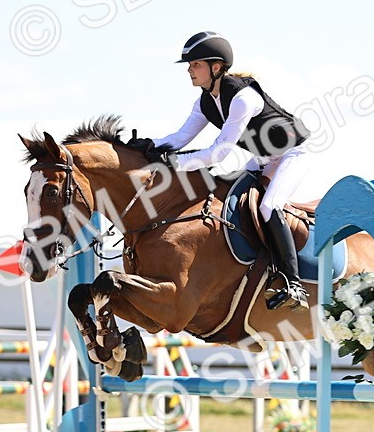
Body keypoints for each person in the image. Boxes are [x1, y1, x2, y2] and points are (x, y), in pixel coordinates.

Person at [132, 31, 312, 310]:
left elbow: (219, 153)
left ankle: (294, 283)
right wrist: (145, 145)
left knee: (268, 207)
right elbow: (179, 138)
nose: (190, 71)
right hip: (261, 158)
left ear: (216, 67)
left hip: (292, 153)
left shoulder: (242, 98)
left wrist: (175, 163)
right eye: (190, 66)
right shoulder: (205, 101)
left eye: (196, 65)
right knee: (230, 200)